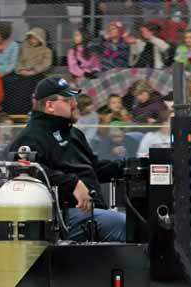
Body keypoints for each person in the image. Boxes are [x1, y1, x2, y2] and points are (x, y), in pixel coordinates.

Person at [9, 77, 126, 242]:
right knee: (126, 226)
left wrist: (130, 166)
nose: (75, 104)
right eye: (68, 99)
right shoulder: (30, 137)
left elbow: (95, 168)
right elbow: (24, 170)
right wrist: (72, 183)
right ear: (50, 105)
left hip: (93, 211)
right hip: (63, 214)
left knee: (140, 220)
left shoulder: (74, 133)